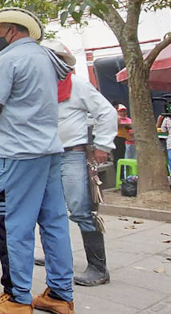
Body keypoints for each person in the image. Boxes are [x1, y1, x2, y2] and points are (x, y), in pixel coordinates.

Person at [0, 8, 75, 314]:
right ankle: (60, 293)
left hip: (17, 153)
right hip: (49, 149)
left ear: (14, 31)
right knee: (55, 222)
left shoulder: (10, 59)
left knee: (15, 224)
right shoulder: (46, 58)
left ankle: (18, 298)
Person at [42, 40, 116, 287]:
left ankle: (98, 267)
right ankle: (56, 256)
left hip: (71, 155)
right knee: (49, 210)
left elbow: (107, 113)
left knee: (81, 209)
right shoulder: (37, 88)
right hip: (44, 157)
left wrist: (103, 146)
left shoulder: (77, 85)